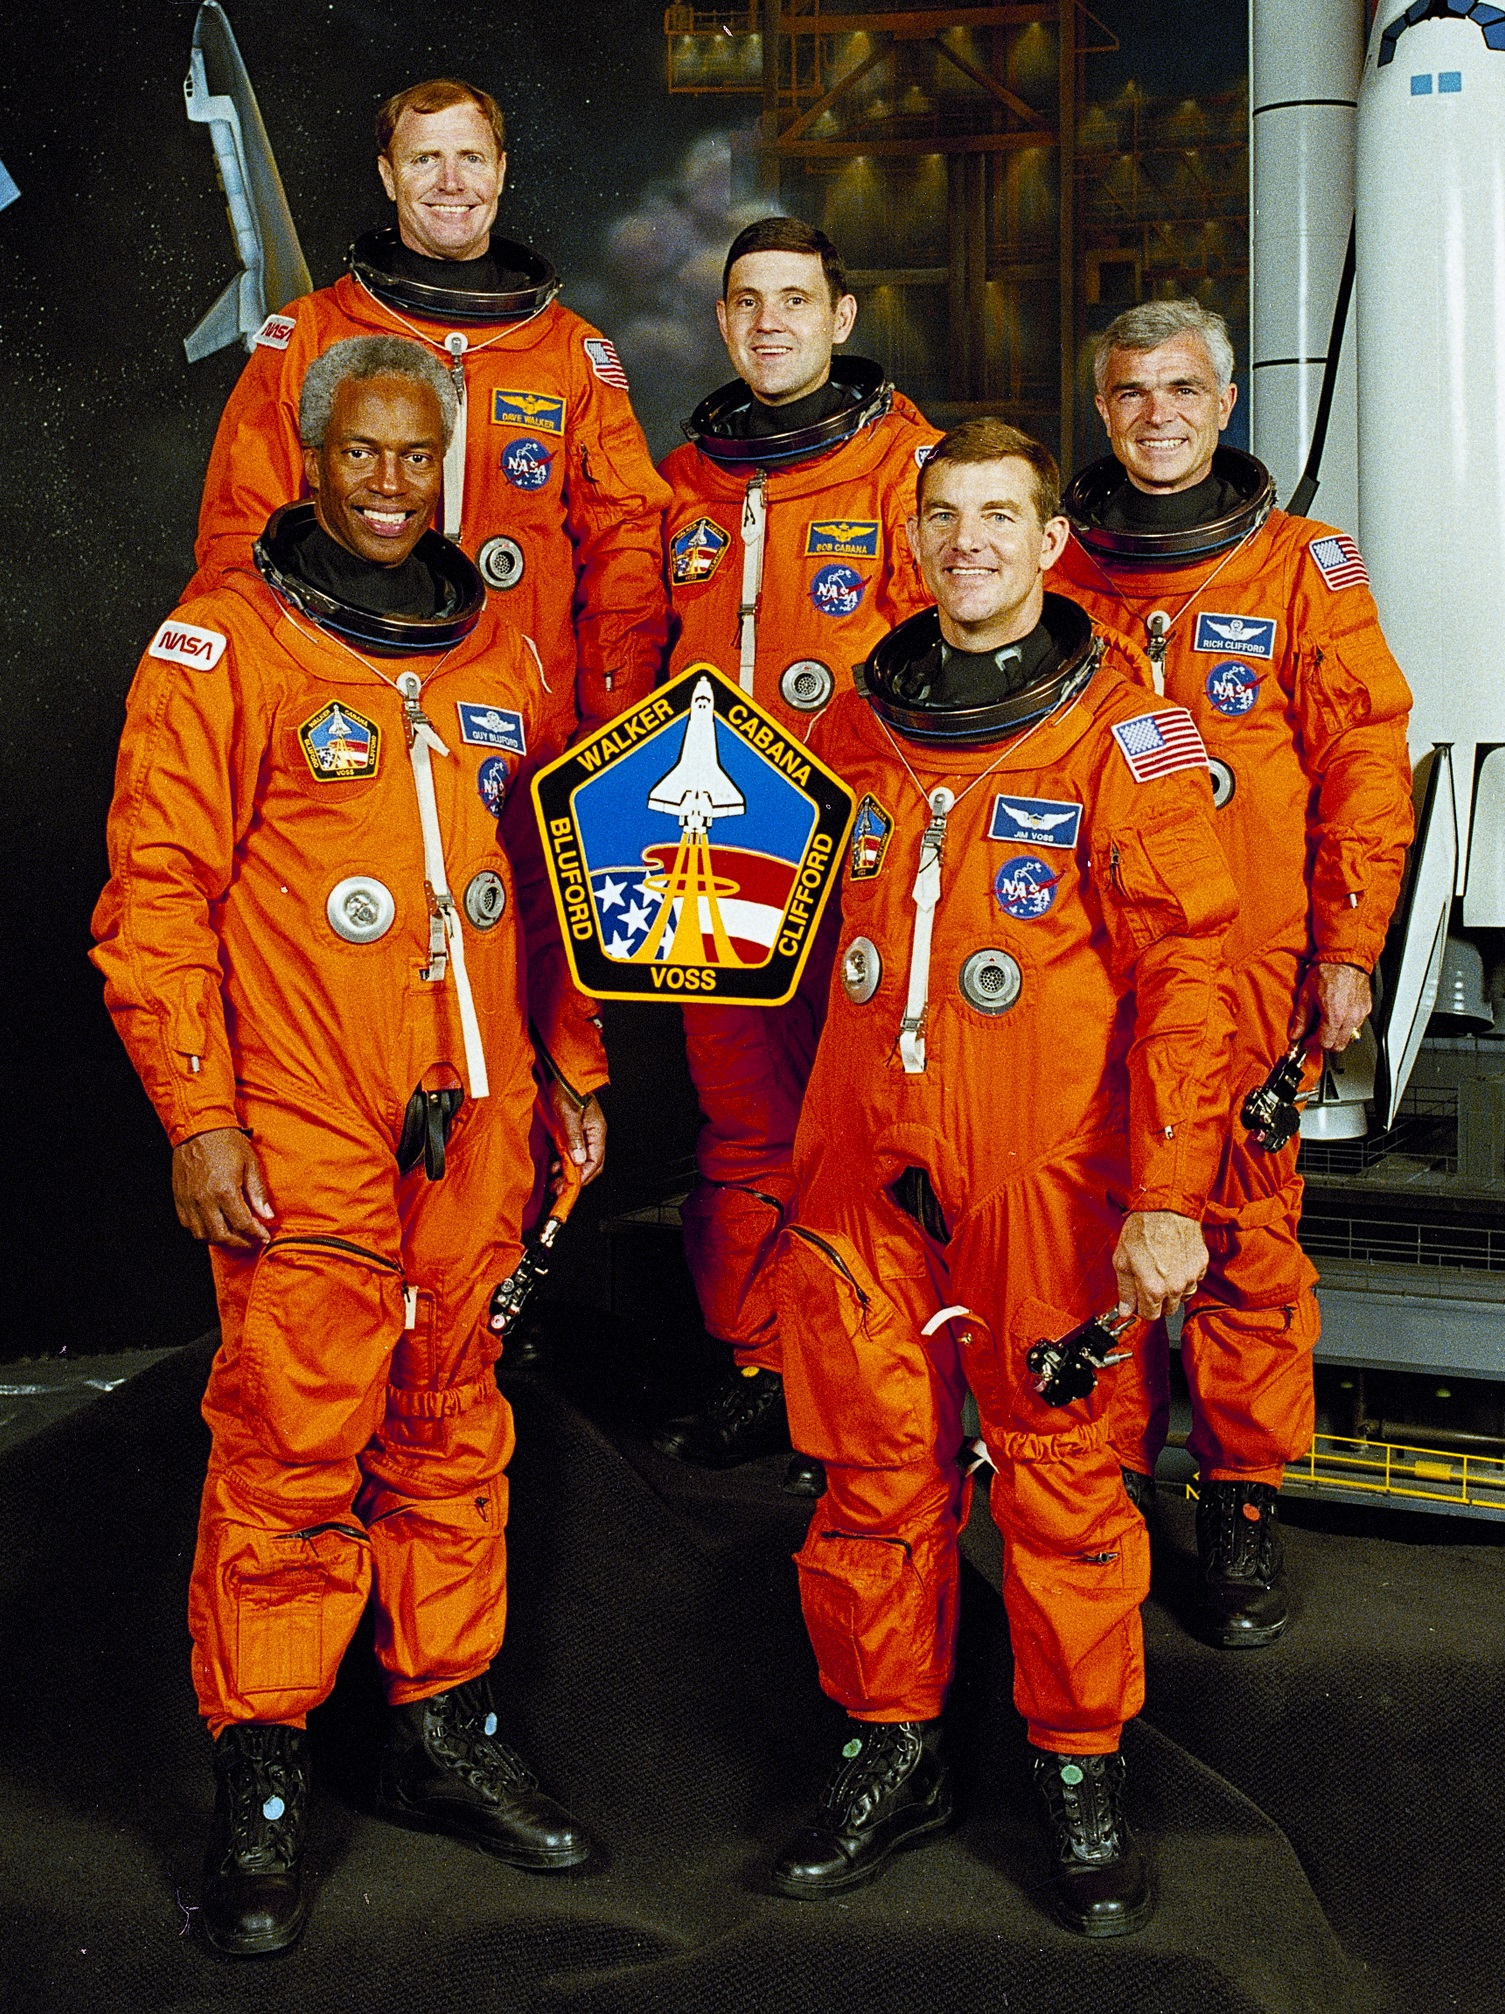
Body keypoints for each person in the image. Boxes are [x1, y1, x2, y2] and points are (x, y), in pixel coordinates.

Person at [92, 336, 608, 1957]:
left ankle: (442, 1720)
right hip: (305, 1116)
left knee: (455, 1421)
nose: (389, 485)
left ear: (443, 467)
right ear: (311, 459)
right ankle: (263, 1766)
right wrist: (198, 1111)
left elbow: (550, 880)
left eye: (414, 458)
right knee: (292, 1440)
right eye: (362, 455)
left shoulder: (502, 654)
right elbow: (154, 900)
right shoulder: (221, 645)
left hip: (480, 1115)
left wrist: (575, 1065)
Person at [769, 418, 1239, 1937]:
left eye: (997, 515)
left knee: (1061, 1474)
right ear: (913, 540)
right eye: (942, 515)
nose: (966, 539)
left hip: (1041, 1166)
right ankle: (890, 1742)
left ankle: (1077, 1763)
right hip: (860, 1160)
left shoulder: (1125, 734)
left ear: (1050, 542)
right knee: (868, 1470)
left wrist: (1169, 1192)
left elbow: (1188, 976)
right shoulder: (855, 717)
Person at [1052, 300, 1412, 1647]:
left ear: (1224, 404)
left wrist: (1351, 945)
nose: (1158, 413)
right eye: (1131, 390)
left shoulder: (1300, 568)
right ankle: (1113, 1486)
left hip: (1252, 968)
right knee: (1101, 1226)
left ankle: (1242, 1495)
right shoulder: (1058, 579)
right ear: (1103, 410)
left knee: (1245, 1239)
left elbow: (1363, 767)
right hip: (1092, 964)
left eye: (1182, 387)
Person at [652, 217, 941, 1489]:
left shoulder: (908, 472)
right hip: (706, 848)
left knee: (859, 1126)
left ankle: (867, 1383)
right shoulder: (685, 483)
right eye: (746, 302)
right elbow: (626, 661)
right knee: (741, 1129)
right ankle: (761, 1365)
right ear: (724, 323)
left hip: (860, 852)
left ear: (842, 316)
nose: (769, 322)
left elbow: (953, 669)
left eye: (795, 299)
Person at [189, 76, 669, 753]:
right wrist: (254, 713)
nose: (451, 182)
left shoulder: (568, 352)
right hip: (343, 723)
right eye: (424, 160)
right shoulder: (312, 335)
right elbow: (239, 538)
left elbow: (626, 559)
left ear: (501, 172)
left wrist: (614, 739)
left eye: (471, 158)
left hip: (530, 730)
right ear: (388, 176)